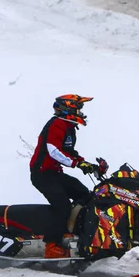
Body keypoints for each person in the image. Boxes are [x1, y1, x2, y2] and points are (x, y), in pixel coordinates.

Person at [29, 94, 98, 258]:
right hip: (42, 174)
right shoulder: (57, 124)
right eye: (78, 108)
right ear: (69, 108)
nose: (81, 112)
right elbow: (54, 151)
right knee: (62, 205)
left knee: (86, 195)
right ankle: (51, 245)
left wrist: (87, 164)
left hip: (53, 172)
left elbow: (68, 152)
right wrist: (76, 164)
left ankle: (77, 235)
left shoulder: (68, 127)